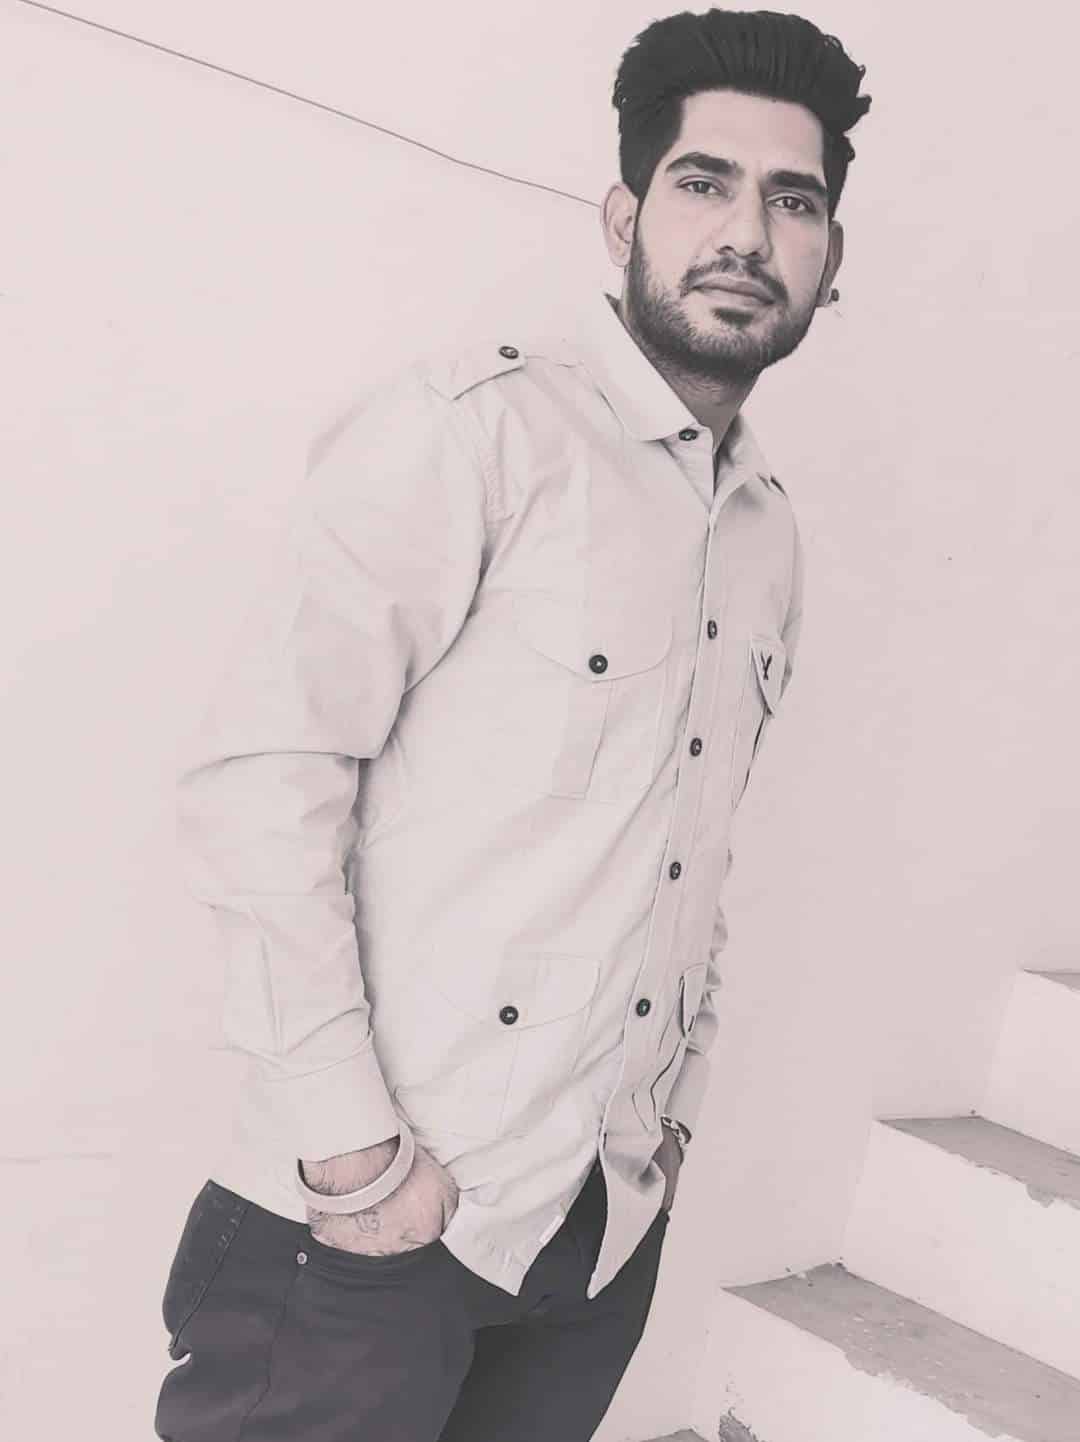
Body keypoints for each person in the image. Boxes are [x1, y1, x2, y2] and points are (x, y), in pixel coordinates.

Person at [155, 9, 871, 1440]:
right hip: (368, 1228)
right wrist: (353, 1153)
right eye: (704, 182)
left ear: (829, 261)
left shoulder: (768, 537)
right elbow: (263, 779)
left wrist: (668, 1122)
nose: (747, 233)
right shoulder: (475, 432)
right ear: (623, 215)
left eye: (793, 203)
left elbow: (691, 847)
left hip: (594, 1237)